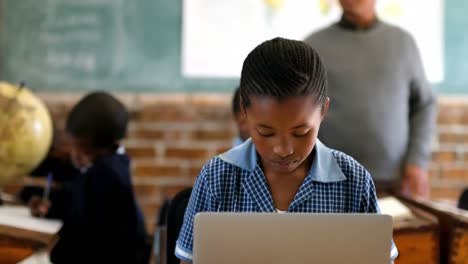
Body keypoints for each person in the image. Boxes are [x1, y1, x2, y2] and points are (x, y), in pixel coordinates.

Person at [175, 37, 398, 264]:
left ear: (324, 110)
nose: (283, 150)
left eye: (301, 133)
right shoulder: (216, 178)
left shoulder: (354, 181)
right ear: (244, 111)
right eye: (266, 132)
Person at [304, 0, 436, 199]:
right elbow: (300, 112)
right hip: (330, 181)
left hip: (394, 182)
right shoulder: (313, 46)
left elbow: (424, 105)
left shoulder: (402, 43)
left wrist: (417, 161)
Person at [30, 92, 148, 264]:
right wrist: (51, 206)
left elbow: (80, 236)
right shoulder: (115, 164)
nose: (75, 154)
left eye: (81, 147)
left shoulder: (105, 174)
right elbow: (75, 201)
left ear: (99, 146)